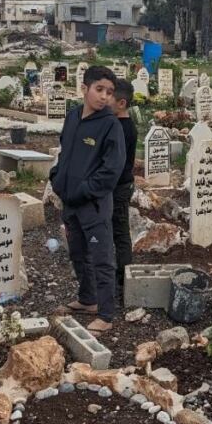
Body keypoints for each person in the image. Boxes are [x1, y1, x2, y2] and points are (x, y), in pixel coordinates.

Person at [50, 65, 125, 332]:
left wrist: (83, 190)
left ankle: (105, 315)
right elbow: (64, 152)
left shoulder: (110, 125)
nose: (105, 97)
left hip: (93, 206)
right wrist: (56, 178)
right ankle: (87, 299)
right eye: (99, 89)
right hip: (70, 203)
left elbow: (111, 170)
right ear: (84, 88)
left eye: (109, 92)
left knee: (101, 258)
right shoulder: (72, 118)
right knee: (78, 253)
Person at [109, 78, 138, 287]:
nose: (105, 100)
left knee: (120, 231)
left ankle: (123, 278)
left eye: (110, 97)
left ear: (122, 103)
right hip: (117, 185)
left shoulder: (122, 128)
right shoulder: (119, 125)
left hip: (118, 187)